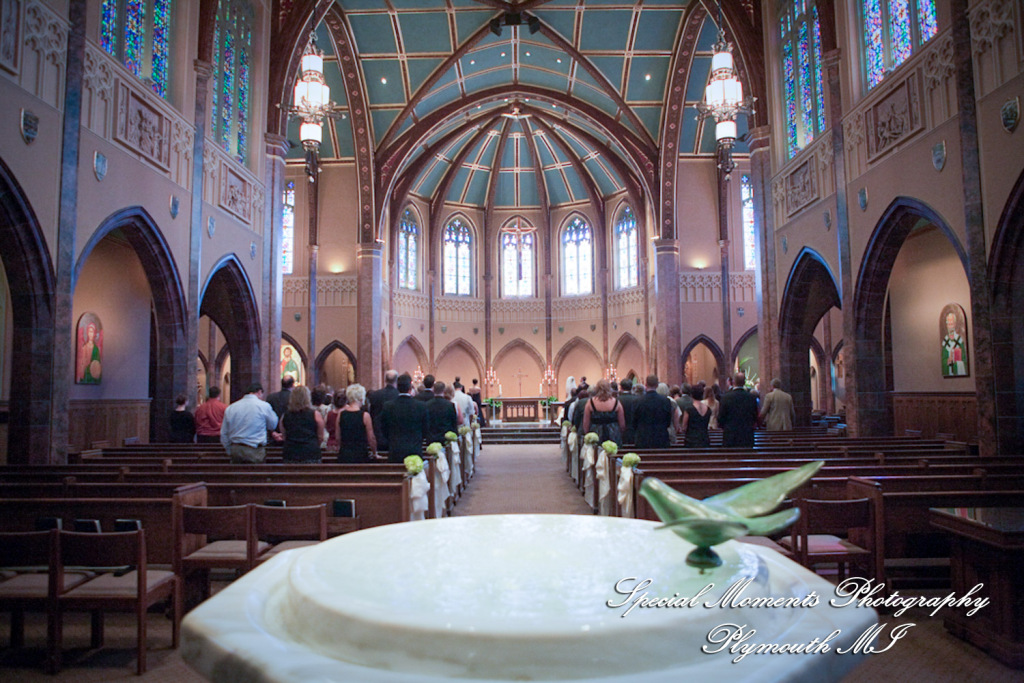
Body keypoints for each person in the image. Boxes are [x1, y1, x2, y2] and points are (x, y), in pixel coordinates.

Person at [220, 383, 279, 463]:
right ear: (259, 392)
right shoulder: (264, 406)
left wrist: (229, 449)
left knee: (237, 474)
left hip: (236, 449)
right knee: (255, 474)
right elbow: (273, 425)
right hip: (255, 450)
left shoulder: (231, 407)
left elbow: (224, 433)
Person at [379, 373, 430, 463]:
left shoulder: (388, 406)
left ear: (397, 388)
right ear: (410, 388)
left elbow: (383, 428)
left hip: (395, 451)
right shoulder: (420, 406)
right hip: (414, 450)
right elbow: (425, 429)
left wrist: (392, 438)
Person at [632, 375, 679, 449]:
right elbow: (668, 421)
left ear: (646, 384)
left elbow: (634, 421)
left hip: (643, 439)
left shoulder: (637, 401)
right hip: (661, 438)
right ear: (657, 385)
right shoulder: (665, 401)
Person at [279, 385, 324, 463]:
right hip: (311, 452)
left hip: (291, 453)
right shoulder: (315, 415)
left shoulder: (285, 415)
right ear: (308, 398)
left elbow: (284, 435)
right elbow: (320, 437)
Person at [335, 383, 377, 463]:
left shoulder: (341, 414)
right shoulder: (365, 416)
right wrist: (374, 453)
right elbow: (371, 438)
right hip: (360, 455)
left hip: (344, 454)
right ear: (361, 398)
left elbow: (337, 437)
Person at [718, 372, 759, 448]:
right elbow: (755, 416)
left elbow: (721, 418)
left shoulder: (726, 398)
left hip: (730, 436)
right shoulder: (751, 398)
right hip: (747, 436)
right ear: (744, 382)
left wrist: (725, 427)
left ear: (733, 382)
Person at [582, 379, 625, 447]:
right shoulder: (616, 402)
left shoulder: (590, 403)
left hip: (596, 433)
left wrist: (587, 434)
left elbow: (585, 423)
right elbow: (622, 424)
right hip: (613, 433)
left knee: (596, 454)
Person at [368, 370, 400, 451]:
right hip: (395, 437)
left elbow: (372, 415)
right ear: (396, 380)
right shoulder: (399, 395)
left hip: (379, 436)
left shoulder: (375, 395)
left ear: (385, 380)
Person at [618, 378, 639, 445]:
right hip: (634, 430)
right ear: (632, 387)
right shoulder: (637, 399)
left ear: (621, 387)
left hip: (619, 431)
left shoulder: (616, 400)